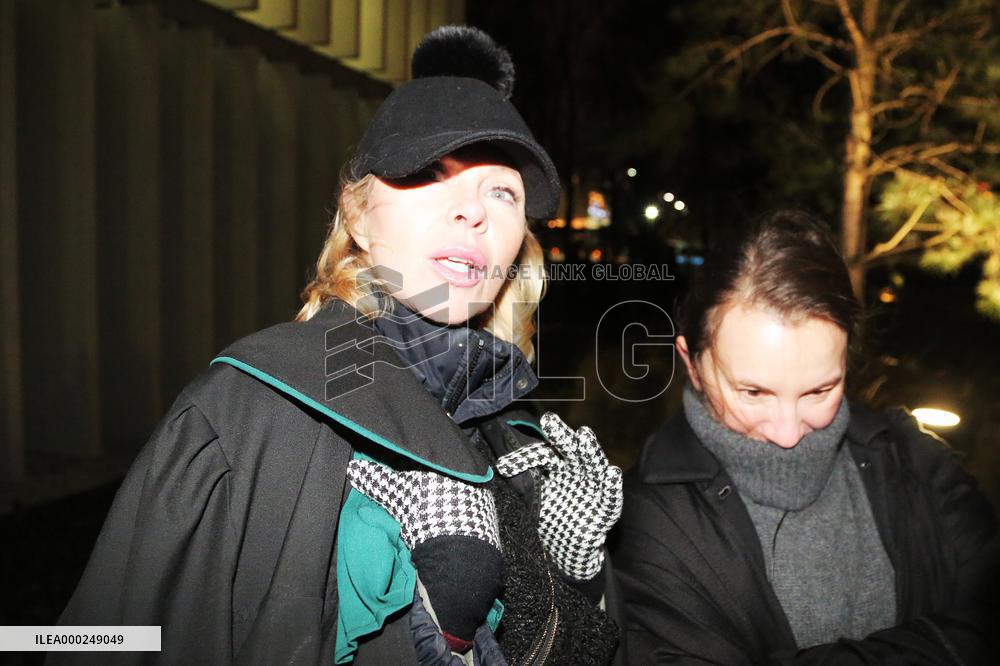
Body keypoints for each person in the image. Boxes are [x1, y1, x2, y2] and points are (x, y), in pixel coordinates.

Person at [52, 26, 622, 665]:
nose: (473, 212)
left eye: (502, 191)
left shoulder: (521, 433)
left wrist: (576, 571)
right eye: (430, 173)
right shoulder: (246, 412)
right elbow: (105, 638)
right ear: (356, 213)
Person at [612, 209, 999, 664]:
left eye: (820, 390)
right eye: (753, 392)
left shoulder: (912, 456)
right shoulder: (642, 519)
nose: (789, 433)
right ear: (692, 362)